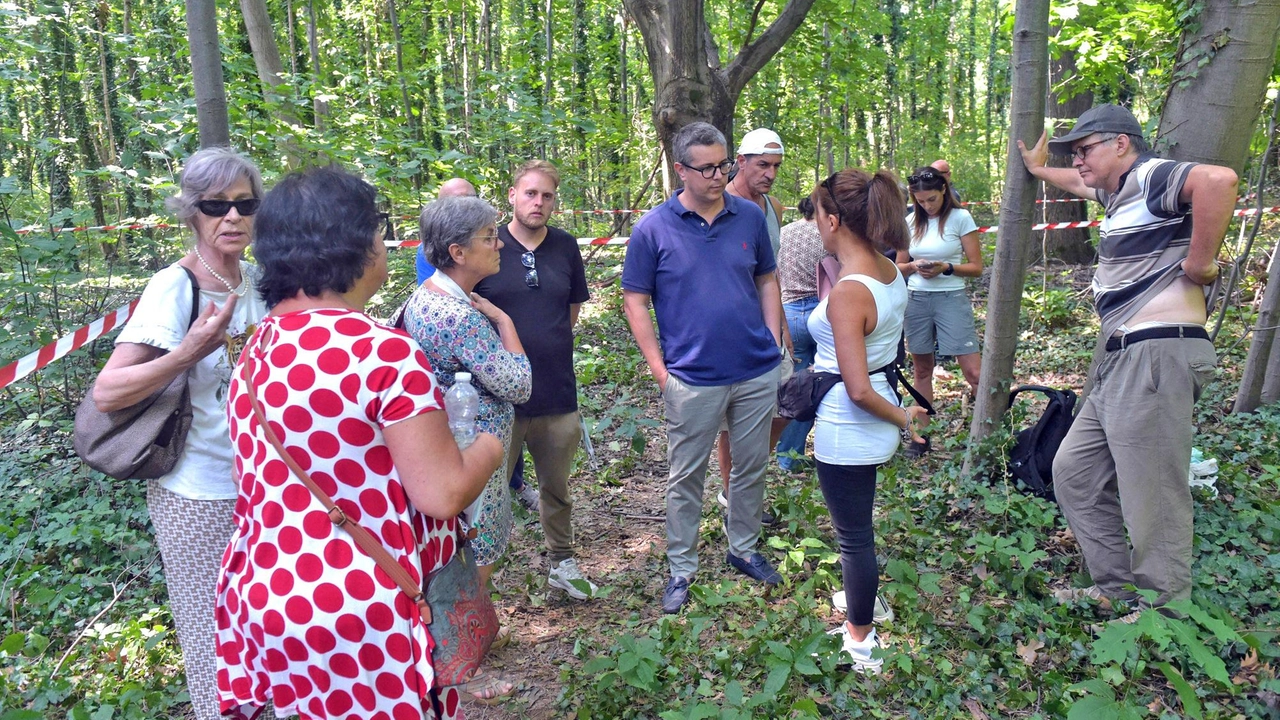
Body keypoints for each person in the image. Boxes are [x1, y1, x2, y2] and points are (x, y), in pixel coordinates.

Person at [215, 165, 509, 718]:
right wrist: (488, 446)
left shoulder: (256, 350)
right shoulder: (383, 352)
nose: (386, 241)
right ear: (353, 244)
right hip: (363, 607)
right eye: (378, 227)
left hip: (268, 595)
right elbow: (442, 494)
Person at [1018, 104, 1235, 616]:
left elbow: (1220, 181)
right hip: (1122, 358)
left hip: (1157, 353)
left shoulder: (1149, 176)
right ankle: (1115, 590)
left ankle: (1163, 615)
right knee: (1073, 471)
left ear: (1121, 143)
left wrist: (1200, 263)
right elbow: (1075, 183)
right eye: (1074, 153)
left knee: (1151, 489)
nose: (1078, 160)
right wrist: (1037, 169)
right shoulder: (1118, 195)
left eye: (1085, 149)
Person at [90, 147, 268, 720]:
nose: (232, 217)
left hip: (265, 494)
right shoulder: (175, 287)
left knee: (265, 633)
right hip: (197, 493)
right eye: (217, 205)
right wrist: (188, 351)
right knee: (214, 640)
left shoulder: (261, 284)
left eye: (244, 204)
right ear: (192, 212)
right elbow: (109, 392)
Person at [622, 121, 783, 614]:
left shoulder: (750, 218)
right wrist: (659, 369)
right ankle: (681, 568)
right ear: (680, 169)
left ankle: (744, 548)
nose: (719, 175)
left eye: (724, 164)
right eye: (707, 167)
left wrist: (774, 342)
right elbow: (635, 300)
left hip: (755, 371)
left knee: (751, 467)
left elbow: (767, 279)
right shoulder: (654, 227)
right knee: (686, 477)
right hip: (690, 378)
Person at [808, 167, 929, 673]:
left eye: (817, 214)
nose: (815, 224)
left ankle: (860, 641)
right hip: (872, 418)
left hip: (851, 423)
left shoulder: (849, 292)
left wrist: (905, 417)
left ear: (834, 220)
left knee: (854, 537)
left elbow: (857, 389)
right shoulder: (888, 269)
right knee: (859, 531)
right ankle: (864, 603)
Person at [473, 159, 599, 599]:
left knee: (557, 489)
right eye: (530, 193)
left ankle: (562, 562)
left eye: (546, 195)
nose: (538, 202)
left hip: (556, 393)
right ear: (511, 195)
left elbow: (570, 313)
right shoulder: (487, 246)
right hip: (497, 401)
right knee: (486, 496)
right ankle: (475, 582)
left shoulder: (565, 247)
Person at [403, 196, 532, 593]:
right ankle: (466, 636)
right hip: (472, 455)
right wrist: (504, 321)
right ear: (458, 252)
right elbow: (519, 385)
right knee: (475, 554)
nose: (501, 244)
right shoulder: (462, 318)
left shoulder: (423, 294)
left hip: (447, 448)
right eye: (490, 237)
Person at [716, 128, 791, 521]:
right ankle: (734, 497)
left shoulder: (772, 207)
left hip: (769, 329)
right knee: (734, 419)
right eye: (763, 164)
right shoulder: (720, 203)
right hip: (732, 329)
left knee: (785, 406)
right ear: (740, 162)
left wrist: (784, 330)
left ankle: (747, 475)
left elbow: (772, 274)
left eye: (776, 166)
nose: (770, 173)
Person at [897, 166, 983, 426]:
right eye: (920, 202)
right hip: (917, 300)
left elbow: (976, 267)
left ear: (944, 190)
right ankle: (922, 434)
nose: (927, 206)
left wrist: (946, 268)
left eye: (931, 199)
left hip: (951, 298)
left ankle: (988, 433)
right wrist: (914, 266)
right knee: (922, 370)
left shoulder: (961, 218)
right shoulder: (911, 222)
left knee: (975, 372)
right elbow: (899, 266)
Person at [773, 197, 825, 471]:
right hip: (821, 312)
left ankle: (787, 455)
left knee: (795, 388)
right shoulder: (827, 235)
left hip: (788, 313)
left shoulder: (784, 232)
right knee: (817, 385)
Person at [416, 177, 479, 284]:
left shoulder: (491, 240)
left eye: (473, 199)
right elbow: (434, 293)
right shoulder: (431, 247)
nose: (469, 206)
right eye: (459, 200)